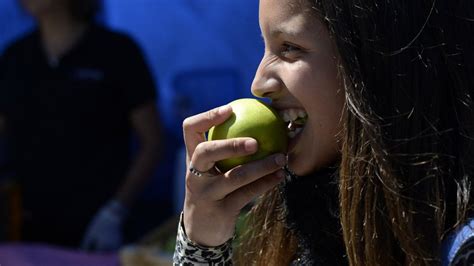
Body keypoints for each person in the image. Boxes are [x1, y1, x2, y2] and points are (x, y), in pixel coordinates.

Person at [173, 0, 474, 265]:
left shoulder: (463, 251)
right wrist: (203, 241)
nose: (258, 83)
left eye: (289, 48)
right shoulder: (310, 216)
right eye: (264, 45)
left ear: (379, 59)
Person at [0, 0, 163, 251]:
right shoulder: (14, 57)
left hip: (99, 231)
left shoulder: (118, 51)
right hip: (29, 232)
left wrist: (115, 212)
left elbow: (152, 142)